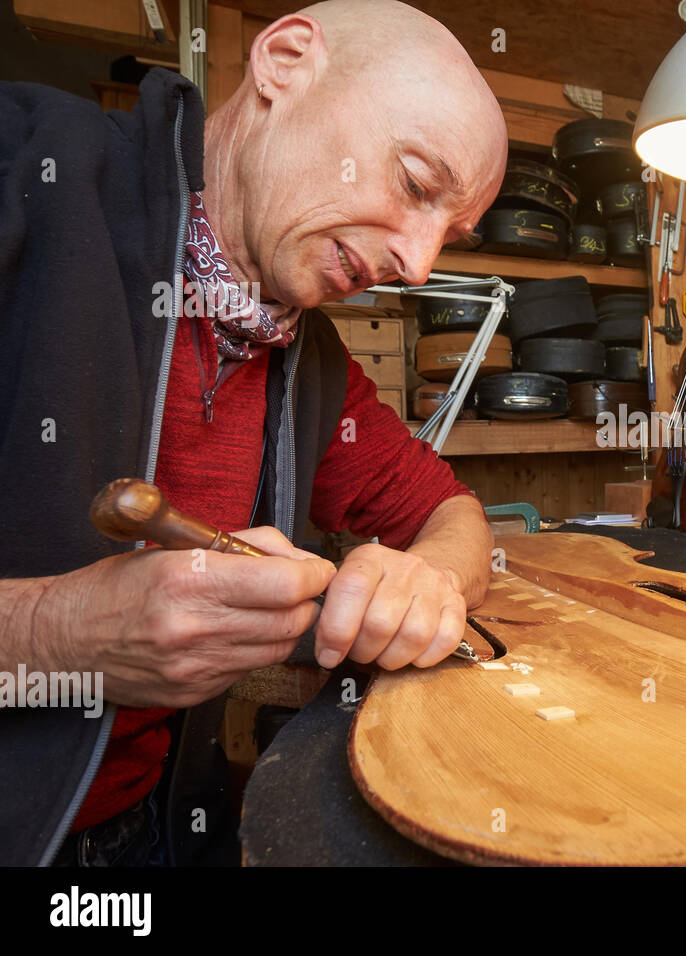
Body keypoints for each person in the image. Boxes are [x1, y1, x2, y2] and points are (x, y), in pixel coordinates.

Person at [0, 0, 508, 865]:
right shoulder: (22, 172)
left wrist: (423, 583)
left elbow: (452, 512)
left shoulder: (306, 360)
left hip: (154, 833)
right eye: (416, 185)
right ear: (284, 61)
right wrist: (55, 633)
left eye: (447, 235)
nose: (416, 266)